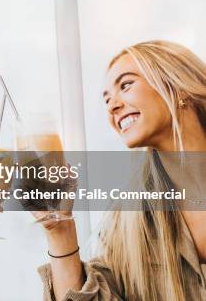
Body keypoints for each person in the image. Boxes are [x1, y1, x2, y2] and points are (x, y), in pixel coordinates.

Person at [37, 40, 206, 300]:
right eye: (106, 99)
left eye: (126, 85)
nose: (112, 106)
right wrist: (60, 231)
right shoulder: (128, 219)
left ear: (178, 84)